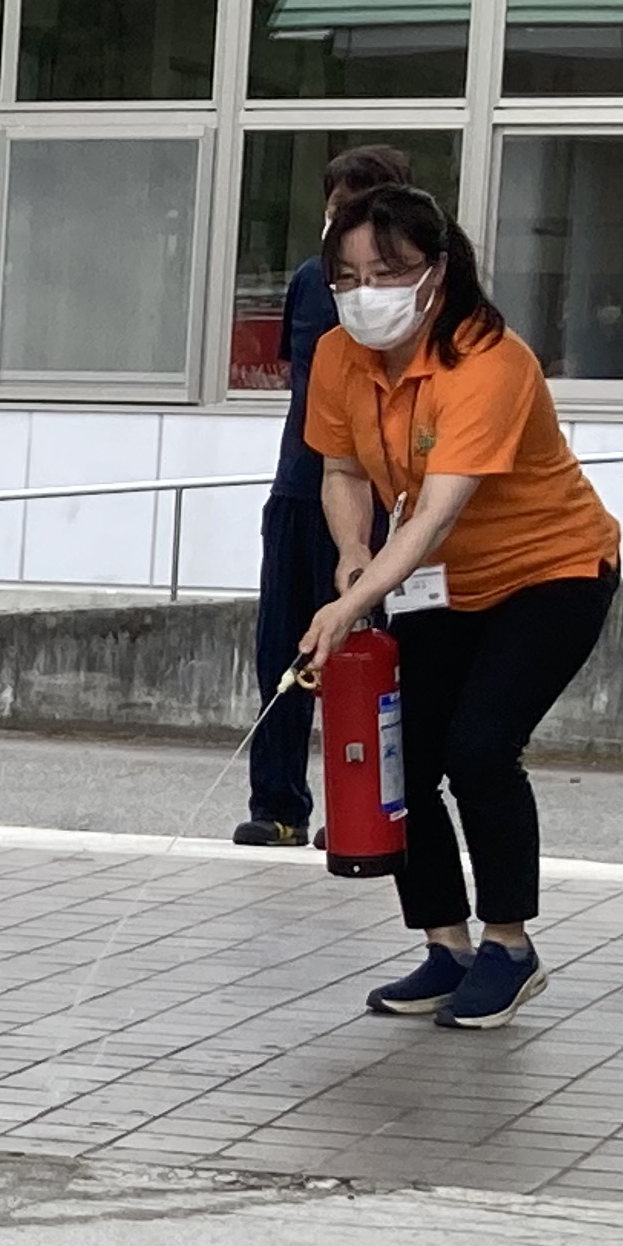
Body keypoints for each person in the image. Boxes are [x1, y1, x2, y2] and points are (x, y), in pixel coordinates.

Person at [297, 179, 623, 1032]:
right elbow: (341, 470)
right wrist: (353, 552)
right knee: (407, 758)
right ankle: (447, 946)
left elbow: (438, 510)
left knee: (480, 749)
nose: (366, 293)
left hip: (550, 571)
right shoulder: (338, 356)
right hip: (435, 579)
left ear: (438, 270)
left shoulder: (490, 361)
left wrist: (351, 606)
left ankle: (509, 946)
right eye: (348, 277)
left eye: (388, 272)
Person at [238, 144, 419, 849]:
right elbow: (303, 379)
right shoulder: (312, 281)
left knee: (367, 654)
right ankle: (279, 805)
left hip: (381, 498)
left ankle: (367, 807)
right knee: (284, 650)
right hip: (300, 486)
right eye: (337, 205)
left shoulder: (413, 296)